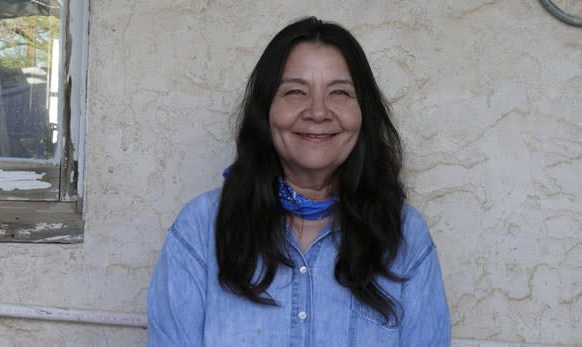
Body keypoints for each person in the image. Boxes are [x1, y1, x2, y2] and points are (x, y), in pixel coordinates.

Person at [148, 16, 451, 346]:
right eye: (295, 91)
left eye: (339, 92)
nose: (318, 112)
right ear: (266, 111)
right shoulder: (199, 230)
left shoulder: (405, 235)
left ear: (363, 115)